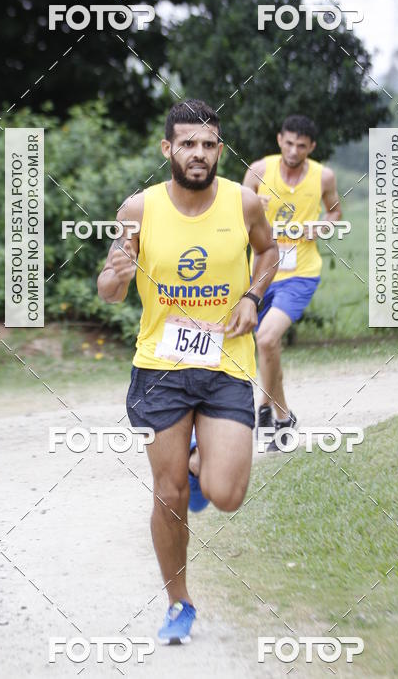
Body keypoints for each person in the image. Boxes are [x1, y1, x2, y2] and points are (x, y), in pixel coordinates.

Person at [97, 99, 278, 645]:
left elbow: (270, 254)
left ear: (219, 150)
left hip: (225, 363)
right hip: (161, 366)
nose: (198, 154)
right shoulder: (139, 209)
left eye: (208, 144)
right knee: (168, 493)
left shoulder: (245, 202)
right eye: (187, 143)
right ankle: (179, 603)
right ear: (168, 149)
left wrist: (252, 294)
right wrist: (118, 274)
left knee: (226, 494)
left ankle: (202, 469)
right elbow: (107, 289)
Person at [242, 115, 341, 452]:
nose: (294, 150)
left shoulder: (323, 176)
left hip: (300, 272)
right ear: (279, 139)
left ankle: (264, 410)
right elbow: (237, 213)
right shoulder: (258, 170)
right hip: (260, 271)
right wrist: (255, 209)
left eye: (302, 145)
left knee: (266, 338)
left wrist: (321, 227)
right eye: (289, 142)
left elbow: (335, 213)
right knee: (269, 348)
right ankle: (282, 416)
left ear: (311, 147)